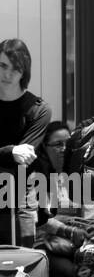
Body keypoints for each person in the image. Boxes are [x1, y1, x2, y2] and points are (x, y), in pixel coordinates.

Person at [0, 39, 52, 246]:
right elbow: (16, 155)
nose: (7, 74)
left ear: (24, 72)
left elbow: (24, 159)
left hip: (21, 195)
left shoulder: (39, 109)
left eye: (16, 68)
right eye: (3, 66)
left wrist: (11, 155)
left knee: (22, 263)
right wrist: (11, 151)